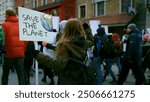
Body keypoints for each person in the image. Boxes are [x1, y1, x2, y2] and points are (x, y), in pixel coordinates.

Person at [33, 18, 94, 85]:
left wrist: (38, 55)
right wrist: (87, 29)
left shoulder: (65, 44)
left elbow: (58, 65)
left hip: (68, 79)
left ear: (67, 29)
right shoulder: (84, 42)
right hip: (82, 77)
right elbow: (91, 41)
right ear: (80, 28)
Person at [1, 9, 27, 85]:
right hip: (20, 53)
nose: (4, 15)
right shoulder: (21, 24)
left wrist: (3, 48)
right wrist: (23, 49)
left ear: (8, 15)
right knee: (21, 75)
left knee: (5, 74)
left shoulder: (4, 25)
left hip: (9, 53)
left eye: (5, 14)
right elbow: (25, 40)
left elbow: (3, 39)